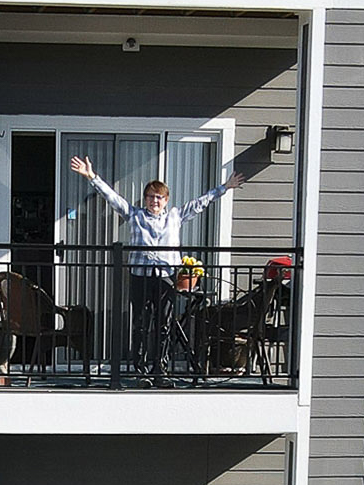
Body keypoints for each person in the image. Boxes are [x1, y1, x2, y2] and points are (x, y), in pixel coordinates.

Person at [70, 155, 245, 387]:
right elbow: (112, 198)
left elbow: (200, 203)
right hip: (140, 277)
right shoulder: (135, 215)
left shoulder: (175, 216)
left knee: (164, 325)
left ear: (166, 200)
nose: (155, 200)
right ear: (145, 199)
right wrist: (92, 176)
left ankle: (159, 371)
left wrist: (225, 187)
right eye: (151, 196)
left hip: (166, 278)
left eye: (159, 197)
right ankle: (141, 371)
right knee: (141, 325)